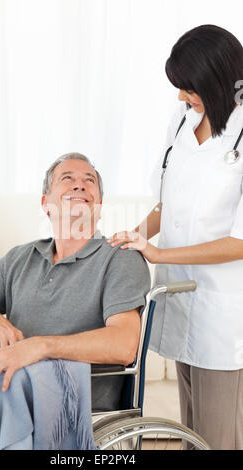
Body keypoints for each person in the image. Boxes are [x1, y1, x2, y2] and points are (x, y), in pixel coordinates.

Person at [108, 25, 243, 450]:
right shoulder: (184, 119)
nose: (181, 96)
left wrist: (159, 251)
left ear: (217, 80)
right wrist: (136, 235)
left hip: (225, 311)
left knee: (218, 439)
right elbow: (168, 203)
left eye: (189, 87)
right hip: (182, 298)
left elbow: (240, 242)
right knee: (192, 436)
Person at [0, 153, 150, 414]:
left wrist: (40, 347)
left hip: (69, 398)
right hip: (9, 385)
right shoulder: (21, 258)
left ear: (98, 205)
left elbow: (123, 344)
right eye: (67, 178)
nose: (79, 185)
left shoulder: (119, 257)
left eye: (89, 180)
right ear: (46, 204)